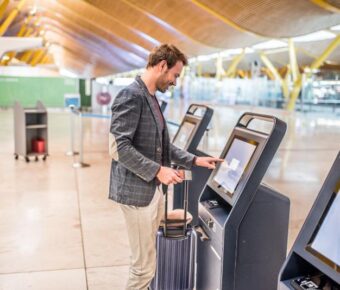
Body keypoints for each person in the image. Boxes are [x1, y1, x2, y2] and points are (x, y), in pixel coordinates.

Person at [109, 44, 222, 290]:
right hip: (136, 194)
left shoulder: (150, 99)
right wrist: (159, 170)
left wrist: (195, 160)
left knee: (146, 259)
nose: (175, 81)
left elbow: (163, 147)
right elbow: (119, 148)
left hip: (151, 191)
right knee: (143, 268)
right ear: (162, 66)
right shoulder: (131, 96)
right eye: (175, 75)